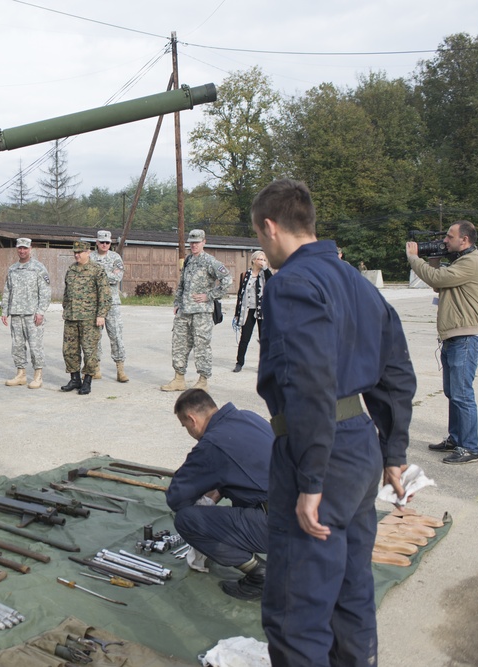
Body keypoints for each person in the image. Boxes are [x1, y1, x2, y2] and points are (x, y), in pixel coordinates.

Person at [252, 178, 415, 666]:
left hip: (318, 448)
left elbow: (308, 385)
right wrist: (394, 454)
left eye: (260, 239)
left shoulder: (292, 285)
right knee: (351, 591)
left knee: (296, 609)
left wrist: (311, 478)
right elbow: (397, 375)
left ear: (270, 227)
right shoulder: (358, 285)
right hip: (361, 447)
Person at [166, 389, 272, 601]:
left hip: (282, 524)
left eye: (185, 426)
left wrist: (204, 495)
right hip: (316, 509)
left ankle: (261, 575)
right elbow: (243, 467)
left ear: (191, 419)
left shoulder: (212, 444)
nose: (188, 431)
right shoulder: (249, 418)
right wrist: (217, 489)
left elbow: (177, 497)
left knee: (187, 520)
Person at [406, 221, 478, 464]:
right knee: (453, 392)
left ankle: (469, 447)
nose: (445, 240)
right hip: (455, 337)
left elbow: (438, 278)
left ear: (464, 240)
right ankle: (456, 438)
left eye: (449, 237)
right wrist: (433, 257)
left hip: (466, 337)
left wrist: (415, 258)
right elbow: (437, 283)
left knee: (462, 394)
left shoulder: (472, 261)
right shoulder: (461, 261)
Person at [161, 229, 231, 392]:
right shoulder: (188, 260)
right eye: (191, 242)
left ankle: (203, 380)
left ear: (204, 242)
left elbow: (227, 279)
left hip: (202, 313)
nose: (194, 245)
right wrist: (177, 302)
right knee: (179, 345)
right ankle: (179, 379)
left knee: (201, 346)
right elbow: (182, 283)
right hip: (184, 311)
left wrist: (209, 295)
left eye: (197, 242)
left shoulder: (210, 261)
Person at [60, 241, 111, 395]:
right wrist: (66, 308)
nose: (77, 255)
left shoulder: (97, 270)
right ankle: (75, 379)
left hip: (90, 317)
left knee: (89, 351)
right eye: (75, 252)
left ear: (88, 252)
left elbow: (105, 294)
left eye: (80, 252)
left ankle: (87, 380)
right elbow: (66, 292)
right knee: (69, 350)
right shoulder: (71, 269)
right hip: (71, 316)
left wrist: (101, 314)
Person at [0, 238, 50, 389]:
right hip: (16, 313)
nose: (22, 251)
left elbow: (46, 292)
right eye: (20, 248)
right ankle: (20, 374)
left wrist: (40, 312)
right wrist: (4, 310)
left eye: (25, 248)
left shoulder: (38, 268)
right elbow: (7, 290)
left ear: (30, 248)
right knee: (17, 345)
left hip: (32, 314)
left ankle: (37, 375)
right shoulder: (12, 269)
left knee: (35, 346)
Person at [89, 230, 129, 382]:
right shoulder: (90, 257)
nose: (104, 245)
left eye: (107, 242)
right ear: (97, 243)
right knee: (94, 337)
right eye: (101, 242)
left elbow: (117, 277)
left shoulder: (115, 257)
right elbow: (87, 277)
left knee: (116, 336)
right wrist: (105, 274)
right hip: (93, 302)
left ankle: (120, 369)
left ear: (110, 243)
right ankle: (96, 367)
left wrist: (98, 273)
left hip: (112, 303)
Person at [232, 251, 272, 373]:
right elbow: (240, 295)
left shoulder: (266, 274)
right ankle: (239, 363)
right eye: (260, 259)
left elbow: (272, 282)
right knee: (245, 338)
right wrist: (237, 314)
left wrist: (265, 268)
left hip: (263, 311)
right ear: (254, 260)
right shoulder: (245, 275)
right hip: (248, 310)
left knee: (264, 339)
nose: (262, 262)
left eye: (264, 260)